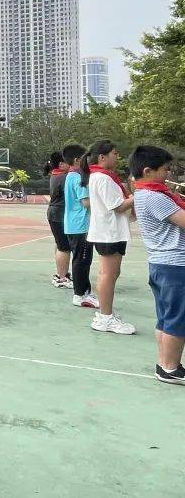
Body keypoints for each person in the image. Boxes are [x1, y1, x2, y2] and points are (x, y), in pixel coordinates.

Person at [129, 145, 185, 383]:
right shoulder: (155, 197)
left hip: (162, 264)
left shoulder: (144, 193)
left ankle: (165, 364)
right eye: (165, 169)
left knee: (166, 318)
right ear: (148, 171)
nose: (168, 174)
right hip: (174, 265)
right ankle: (171, 368)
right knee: (177, 318)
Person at [81, 140, 136, 334]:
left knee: (111, 273)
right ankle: (105, 317)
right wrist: (141, 193)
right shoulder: (102, 178)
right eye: (114, 153)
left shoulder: (103, 176)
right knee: (108, 274)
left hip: (110, 231)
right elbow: (118, 206)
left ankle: (105, 315)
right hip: (108, 232)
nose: (117, 156)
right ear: (102, 157)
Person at [62, 143, 97, 309]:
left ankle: (85, 292)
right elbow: (86, 202)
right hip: (81, 225)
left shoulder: (70, 176)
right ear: (77, 160)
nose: (88, 161)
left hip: (74, 224)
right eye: (86, 158)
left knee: (82, 260)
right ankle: (80, 294)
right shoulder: (78, 177)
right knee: (82, 261)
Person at [44, 151, 73, 288]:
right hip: (59, 214)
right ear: (61, 164)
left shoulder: (56, 175)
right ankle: (62, 277)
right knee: (64, 247)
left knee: (61, 245)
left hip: (56, 214)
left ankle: (62, 273)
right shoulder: (64, 177)